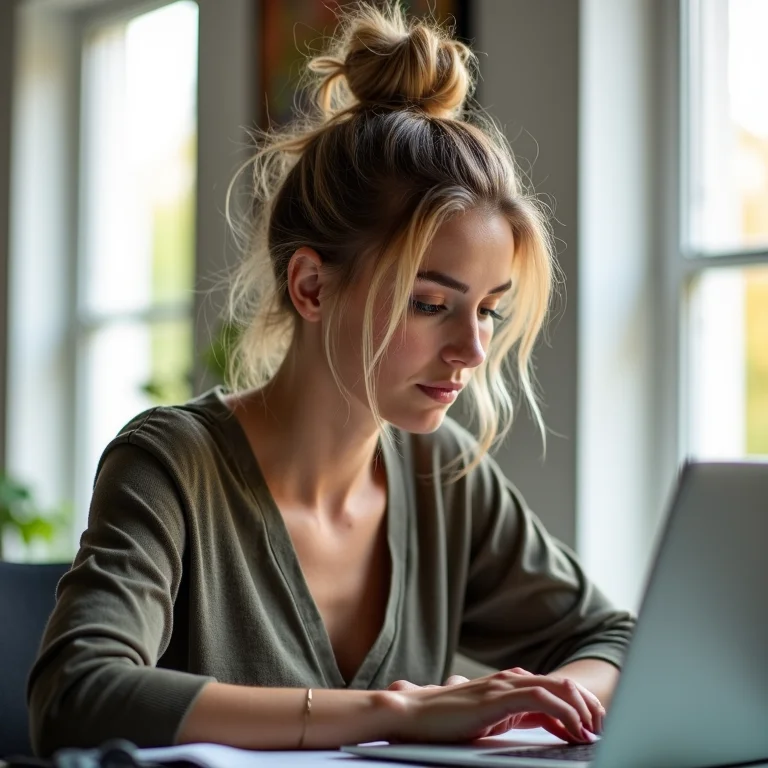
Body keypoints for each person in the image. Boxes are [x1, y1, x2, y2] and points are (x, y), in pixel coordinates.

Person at [27, 1, 635, 757]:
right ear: (312, 287)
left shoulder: (442, 471)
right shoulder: (172, 466)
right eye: (430, 304)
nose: (472, 350)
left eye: (488, 310)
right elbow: (78, 695)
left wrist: (551, 698)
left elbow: (616, 638)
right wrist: (395, 713)